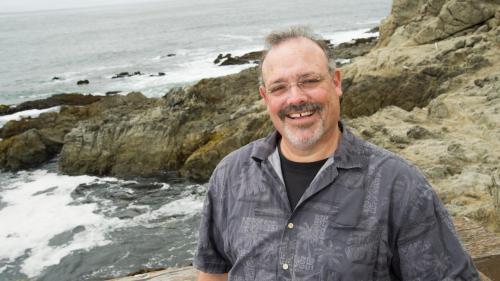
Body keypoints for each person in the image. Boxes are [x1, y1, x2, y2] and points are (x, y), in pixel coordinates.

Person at [194, 26, 480, 281]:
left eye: (309, 80)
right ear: (265, 97)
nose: (296, 98)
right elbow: (212, 270)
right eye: (279, 87)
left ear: (336, 82)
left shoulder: (398, 184)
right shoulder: (231, 175)